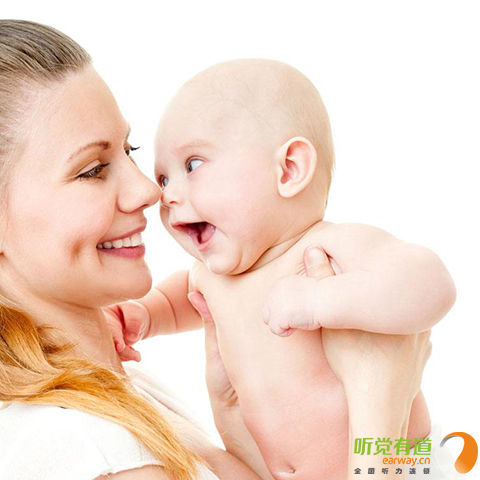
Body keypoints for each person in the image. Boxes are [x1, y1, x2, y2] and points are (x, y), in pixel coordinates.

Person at [0, 20, 431, 480]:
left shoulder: (127, 399)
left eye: (126, 151)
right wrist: (381, 400)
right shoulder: (84, 447)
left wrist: (239, 438)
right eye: (92, 169)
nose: (149, 191)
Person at [106, 59, 457, 479]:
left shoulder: (324, 249)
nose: (167, 196)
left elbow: (432, 283)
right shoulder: (211, 277)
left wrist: (321, 300)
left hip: (402, 461)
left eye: (193, 165)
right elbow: (182, 298)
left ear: (289, 169)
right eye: (163, 179)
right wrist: (144, 315)